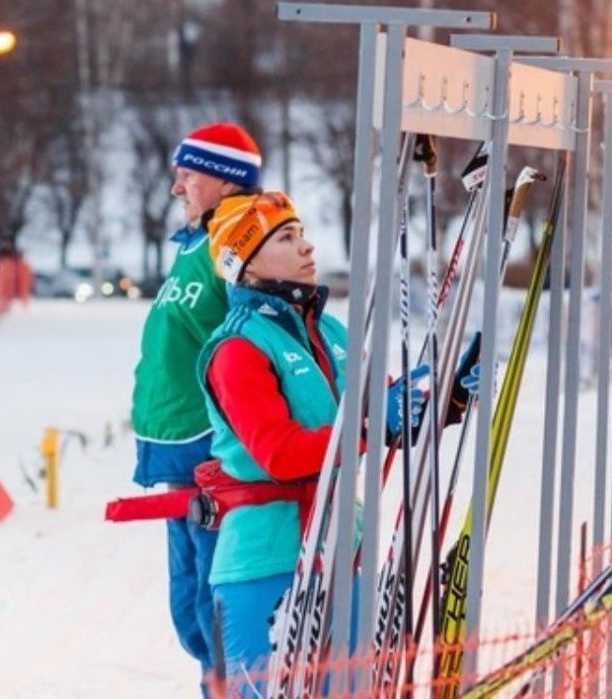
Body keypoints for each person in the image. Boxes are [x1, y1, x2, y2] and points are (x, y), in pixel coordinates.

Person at [197, 192, 473, 695]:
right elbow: (280, 454)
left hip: (343, 552)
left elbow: (382, 405)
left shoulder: (328, 330)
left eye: (301, 233)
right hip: (267, 563)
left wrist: (443, 396)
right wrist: (370, 426)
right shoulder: (237, 346)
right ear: (247, 262)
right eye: (285, 238)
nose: (306, 247)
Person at [128, 122, 263, 695]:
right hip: (177, 447)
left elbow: (258, 333)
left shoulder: (238, 242)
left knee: (215, 604)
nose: (176, 187)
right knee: (188, 604)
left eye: (188, 175)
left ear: (225, 182)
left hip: (211, 448)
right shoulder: (194, 245)